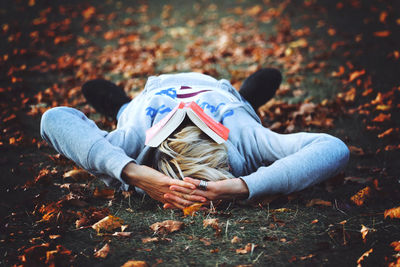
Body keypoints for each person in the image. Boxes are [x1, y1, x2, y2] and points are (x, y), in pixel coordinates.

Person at [40, 69, 349, 209]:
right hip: (227, 97)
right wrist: (246, 185)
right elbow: (332, 148)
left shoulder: (133, 143)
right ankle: (248, 97)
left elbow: (54, 119)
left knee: (117, 106)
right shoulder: (247, 138)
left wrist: (133, 172)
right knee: (257, 89)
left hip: (144, 101)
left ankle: (118, 105)